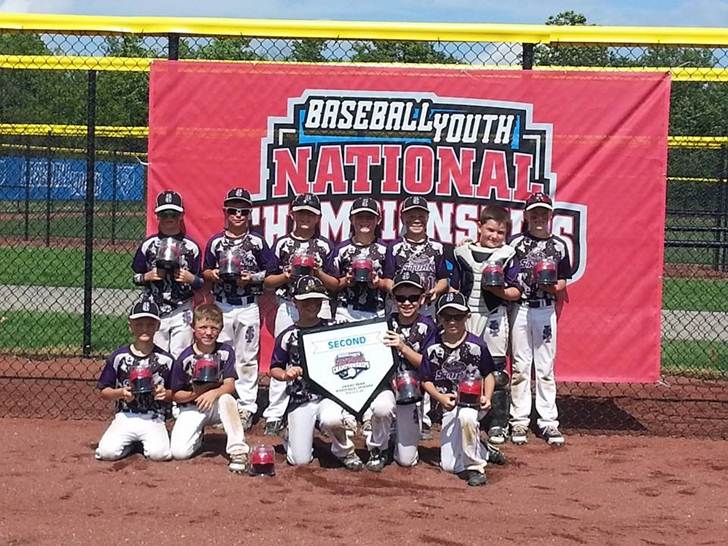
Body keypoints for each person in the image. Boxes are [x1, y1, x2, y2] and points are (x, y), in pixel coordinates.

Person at [268, 275, 363, 471]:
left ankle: (344, 451)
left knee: (332, 419)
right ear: (295, 302)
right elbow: (274, 368)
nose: (312, 305)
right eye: (306, 301)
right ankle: (290, 432)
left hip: (329, 395)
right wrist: (286, 375)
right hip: (300, 397)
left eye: (316, 300)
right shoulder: (288, 335)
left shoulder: (335, 328)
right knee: (299, 460)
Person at [262, 193, 338, 436]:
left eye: (311, 213)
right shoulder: (282, 243)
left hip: (318, 304)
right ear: (291, 214)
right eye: (301, 212)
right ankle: (275, 413)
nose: (305, 217)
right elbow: (268, 281)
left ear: (318, 218)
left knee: (322, 356)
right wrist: (287, 275)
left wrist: (317, 271)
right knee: (284, 357)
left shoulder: (325, 245)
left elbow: (334, 283)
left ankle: (323, 408)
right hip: (288, 303)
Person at [201, 187, 277, 430]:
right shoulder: (215, 242)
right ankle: (222, 404)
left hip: (247, 305)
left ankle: (246, 407)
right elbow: (205, 270)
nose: (238, 215)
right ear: (225, 212)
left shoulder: (256, 242)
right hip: (221, 305)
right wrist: (212, 274)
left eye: (243, 211)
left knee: (246, 357)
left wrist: (252, 278)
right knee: (221, 356)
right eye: (233, 210)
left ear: (249, 214)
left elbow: (272, 271)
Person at [451, 205, 521, 445]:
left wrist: (498, 291)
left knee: (497, 371)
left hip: (494, 314)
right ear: (479, 227)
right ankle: (464, 415)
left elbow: (516, 291)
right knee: (465, 365)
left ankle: (498, 423)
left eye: (500, 232)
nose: (494, 236)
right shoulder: (461, 252)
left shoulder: (509, 254)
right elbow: (453, 285)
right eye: (490, 230)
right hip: (467, 314)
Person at [382, 196, 449, 440]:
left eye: (421, 214)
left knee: (425, 361)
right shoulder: (394, 248)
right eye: (411, 214)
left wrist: (434, 291)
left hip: (427, 310)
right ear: (403, 218)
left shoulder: (438, 248)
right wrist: (403, 294)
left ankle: (424, 417)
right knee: (396, 359)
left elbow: (444, 279)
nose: (416, 219)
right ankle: (393, 413)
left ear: (428, 218)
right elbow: (388, 279)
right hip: (400, 310)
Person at [508, 192, 572, 446]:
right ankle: (519, 420)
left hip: (545, 309)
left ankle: (548, 421)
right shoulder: (515, 244)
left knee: (545, 367)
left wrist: (552, 287)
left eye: (543, 212)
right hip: (521, 308)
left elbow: (563, 280)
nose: (538, 217)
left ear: (550, 216)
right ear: (525, 216)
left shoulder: (559, 245)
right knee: (521, 366)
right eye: (533, 212)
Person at [419, 292, 496, 487]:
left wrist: (487, 397)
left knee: (467, 418)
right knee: (450, 465)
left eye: (458, 316)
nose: (452, 321)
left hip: (472, 401)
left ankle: (475, 467)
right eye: (447, 317)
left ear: (467, 316)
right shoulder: (432, 346)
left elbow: (488, 373)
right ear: (440, 318)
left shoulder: (477, 345)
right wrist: (439, 397)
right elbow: (425, 379)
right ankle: (484, 449)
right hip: (448, 405)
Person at [169, 303, 250, 473]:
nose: (208, 332)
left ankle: (238, 451)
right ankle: (197, 438)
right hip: (192, 405)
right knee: (179, 453)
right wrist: (196, 393)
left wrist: (213, 393)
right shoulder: (185, 358)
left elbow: (229, 384)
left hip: (216, 404)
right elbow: (175, 395)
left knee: (227, 399)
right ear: (193, 328)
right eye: (203, 327)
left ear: (220, 329)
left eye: (214, 328)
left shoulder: (226, 351)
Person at [95, 299, 174, 462]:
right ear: (130, 326)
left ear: (158, 326)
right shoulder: (119, 357)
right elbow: (104, 391)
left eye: (150, 324)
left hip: (154, 415)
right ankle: (131, 444)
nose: (144, 329)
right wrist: (121, 393)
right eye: (139, 324)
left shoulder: (166, 360)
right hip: (126, 415)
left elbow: (175, 391)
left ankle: (143, 442)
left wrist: (165, 394)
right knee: (106, 453)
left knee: (159, 455)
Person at [132, 190, 204, 358]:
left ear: (181, 215)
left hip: (182, 308)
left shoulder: (191, 246)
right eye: (164, 214)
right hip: (154, 307)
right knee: (156, 353)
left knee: (181, 354)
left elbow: (201, 281)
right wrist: (146, 277)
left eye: (173, 213)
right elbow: (135, 276)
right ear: (157, 216)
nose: (169, 218)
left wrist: (191, 279)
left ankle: (178, 385)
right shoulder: (149, 245)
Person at [382, 271, 438, 468]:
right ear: (393, 299)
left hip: (412, 392)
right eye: (401, 298)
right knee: (381, 408)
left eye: (413, 298)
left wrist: (403, 347)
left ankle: (397, 438)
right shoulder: (385, 323)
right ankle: (378, 449)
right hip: (387, 388)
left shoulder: (429, 326)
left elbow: (429, 365)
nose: (407, 303)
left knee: (407, 461)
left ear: (422, 299)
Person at [329, 197, 388, 323]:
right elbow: (331, 284)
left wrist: (379, 282)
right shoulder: (340, 250)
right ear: (351, 219)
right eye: (360, 217)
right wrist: (346, 280)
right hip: (345, 311)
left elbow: (391, 283)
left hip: (377, 311)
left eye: (370, 217)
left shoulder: (385, 250)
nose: (365, 221)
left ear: (378, 220)